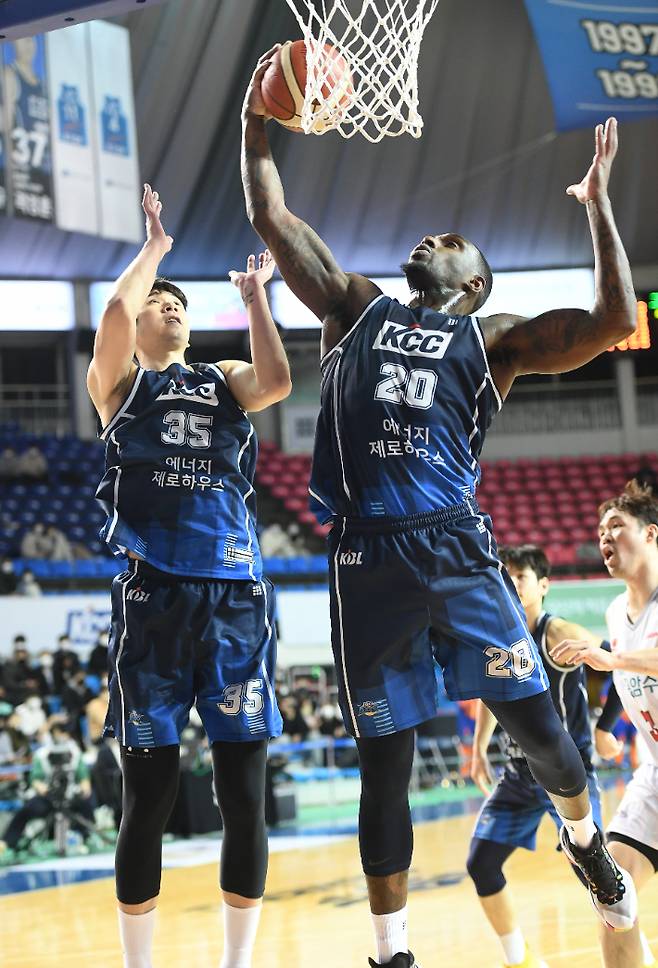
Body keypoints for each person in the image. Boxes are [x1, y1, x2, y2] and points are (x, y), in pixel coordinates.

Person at [241, 50, 637, 965]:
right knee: (384, 763)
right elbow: (271, 212)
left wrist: (598, 206)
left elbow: (616, 320)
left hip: (457, 549)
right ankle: (392, 952)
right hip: (365, 558)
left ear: (476, 278)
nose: (430, 238)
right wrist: (260, 117)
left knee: (542, 732)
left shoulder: (492, 340)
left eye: (449, 238)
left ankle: (586, 849)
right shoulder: (354, 306)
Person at [86, 183, 291, 968]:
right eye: (156, 302)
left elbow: (274, 382)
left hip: (234, 597)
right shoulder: (120, 386)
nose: (168, 307)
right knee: (151, 800)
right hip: (153, 603)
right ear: (138, 321)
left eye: (177, 303)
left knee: (245, 795)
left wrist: (256, 301)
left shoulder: (221, 376)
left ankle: (237, 964)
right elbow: (111, 315)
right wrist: (156, 252)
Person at [466, 545, 609, 968]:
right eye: (505, 577)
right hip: (518, 772)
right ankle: (521, 960)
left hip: (567, 774)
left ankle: (632, 952)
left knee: (597, 875)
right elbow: (490, 698)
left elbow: (614, 663)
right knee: (482, 863)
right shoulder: (498, 636)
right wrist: (477, 750)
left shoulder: (557, 632)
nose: (511, 584)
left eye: (521, 577)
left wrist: (606, 728)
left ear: (543, 586)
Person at [552, 480, 658, 968]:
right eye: (599, 531)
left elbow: (631, 662)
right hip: (654, 776)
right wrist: (605, 725)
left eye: (617, 526)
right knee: (613, 900)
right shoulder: (617, 611)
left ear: (651, 534)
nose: (605, 538)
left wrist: (610, 661)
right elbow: (624, 666)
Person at [0, 720, 94, 856]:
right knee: (25, 811)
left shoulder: (75, 752)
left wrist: (85, 786)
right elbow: (35, 779)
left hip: (70, 794)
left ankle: (87, 837)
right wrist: (41, 787)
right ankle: (8, 842)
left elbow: (83, 774)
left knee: (86, 805)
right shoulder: (42, 754)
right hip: (49, 796)